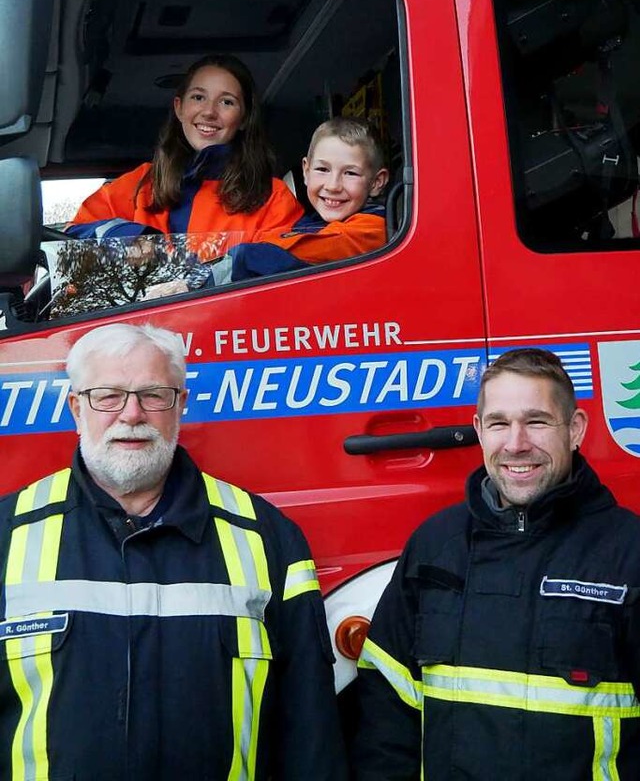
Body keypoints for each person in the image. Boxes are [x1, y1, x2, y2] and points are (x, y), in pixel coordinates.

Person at [0, 323, 347, 781]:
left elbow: (310, 730)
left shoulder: (268, 537)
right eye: (107, 396)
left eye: (154, 395)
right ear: (76, 408)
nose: (131, 414)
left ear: (181, 405)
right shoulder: (8, 532)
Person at [351, 348, 640, 780]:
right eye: (499, 423)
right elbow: (385, 718)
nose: (516, 443)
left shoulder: (629, 553)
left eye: (537, 421)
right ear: (479, 431)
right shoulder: (434, 549)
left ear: (575, 429)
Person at [66, 54, 303, 245]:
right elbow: (72, 236)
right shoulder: (139, 184)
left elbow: (285, 275)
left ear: (243, 119)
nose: (209, 111)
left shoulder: (272, 197)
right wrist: (130, 237)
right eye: (198, 97)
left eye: (227, 102)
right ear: (179, 108)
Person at [146, 116, 389, 295]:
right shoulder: (310, 223)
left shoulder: (373, 229)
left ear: (377, 182)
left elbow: (283, 252)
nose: (333, 185)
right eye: (322, 170)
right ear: (305, 171)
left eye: (351, 173)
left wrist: (197, 281)